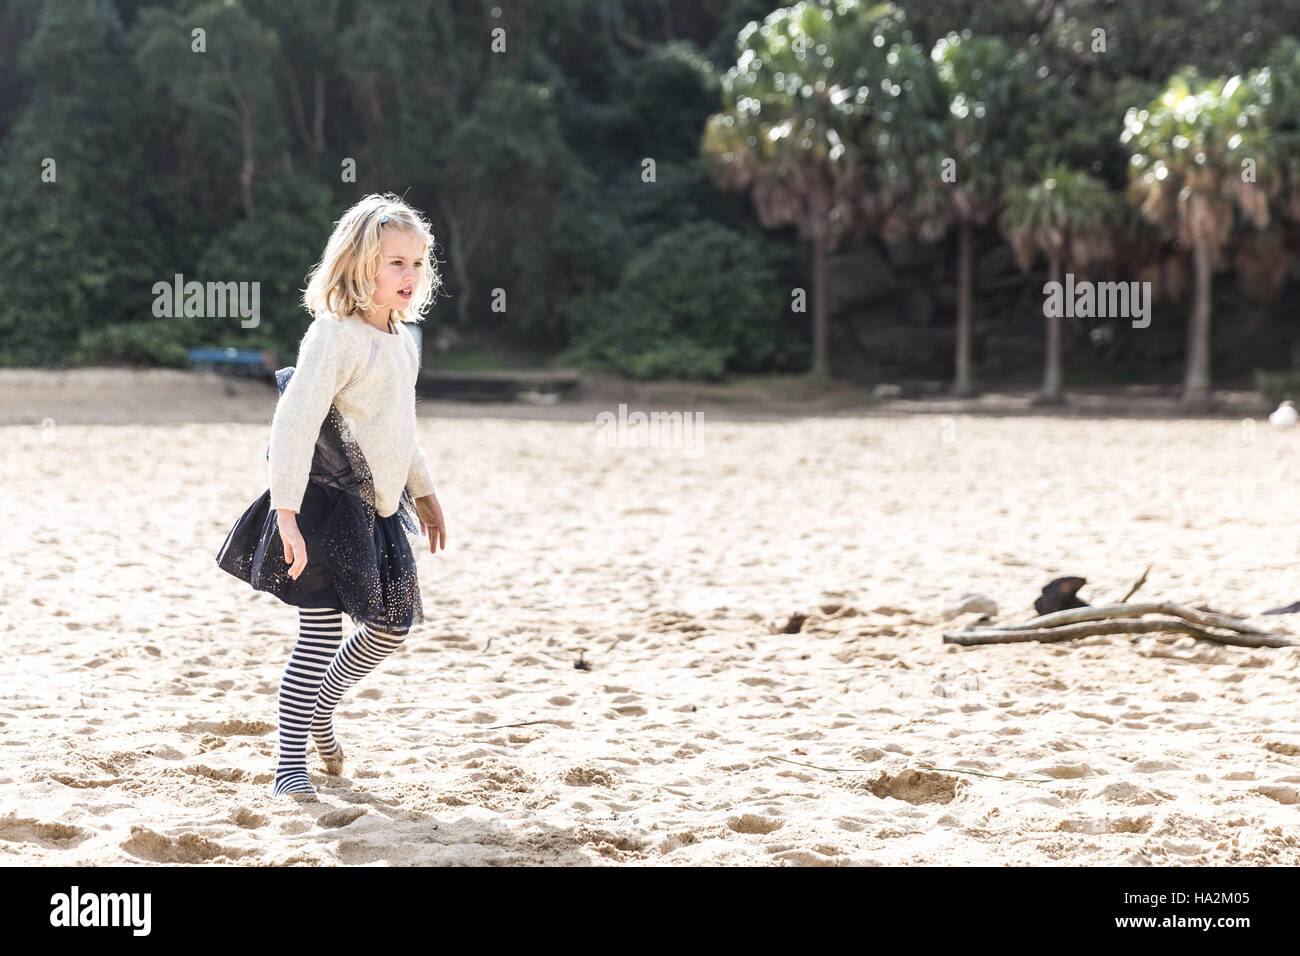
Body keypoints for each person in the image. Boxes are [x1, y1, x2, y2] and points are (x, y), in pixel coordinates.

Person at [216, 192, 448, 801]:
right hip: (318, 504)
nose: (409, 275)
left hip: (377, 510)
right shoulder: (334, 335)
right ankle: (291, 766)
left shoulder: (402, 339)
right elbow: (293, 423)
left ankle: (321, 710)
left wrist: (424, 492)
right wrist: (284, 514)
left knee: (391, 626)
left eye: (417, 264)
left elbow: (399, 428)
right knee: (318, 636)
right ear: (358, 264)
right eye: (394, 262)